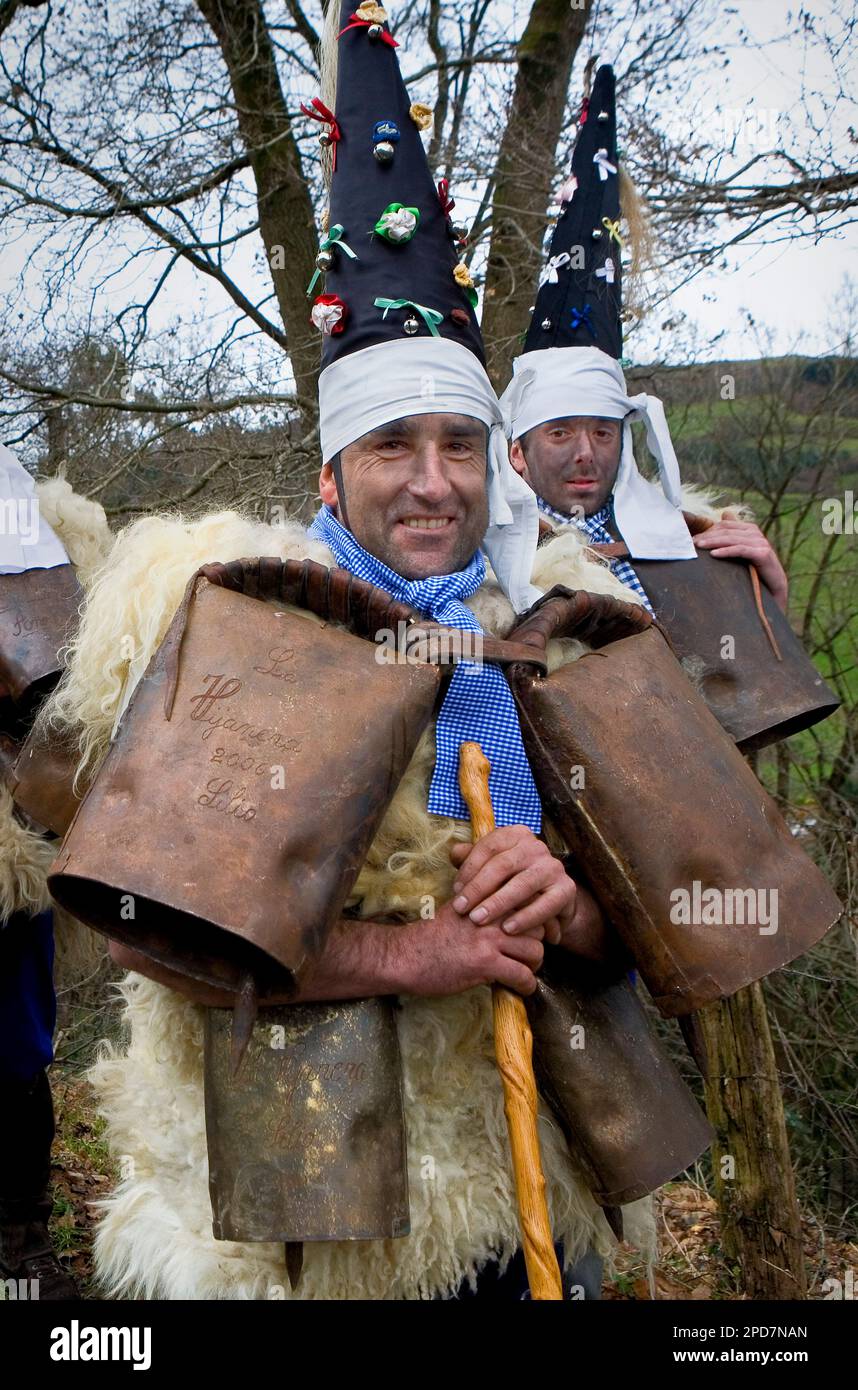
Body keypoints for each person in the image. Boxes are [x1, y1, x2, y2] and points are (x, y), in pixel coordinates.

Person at [41, 2, 666, 1301]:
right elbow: (158, 929)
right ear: (335, 461)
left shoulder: (540, 627)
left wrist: (569, 903)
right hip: (311, 1228)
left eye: (457, 442)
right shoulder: (251, 622)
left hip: (528, 1196)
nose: (431, 481)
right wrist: (410, 953)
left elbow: (657, 914)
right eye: (394, 445)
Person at [501, 64, 788, 616]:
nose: (586, 454)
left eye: (604, 432)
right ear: (518, 452)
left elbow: (746, 695)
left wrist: (766, 598)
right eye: (560, 431)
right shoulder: (481, 556)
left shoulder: (688, 540)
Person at [0, 449, 111, 1298]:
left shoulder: (35, 520)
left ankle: (21, 1235)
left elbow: (66, 694)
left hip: (11, 846)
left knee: (13, 1048)